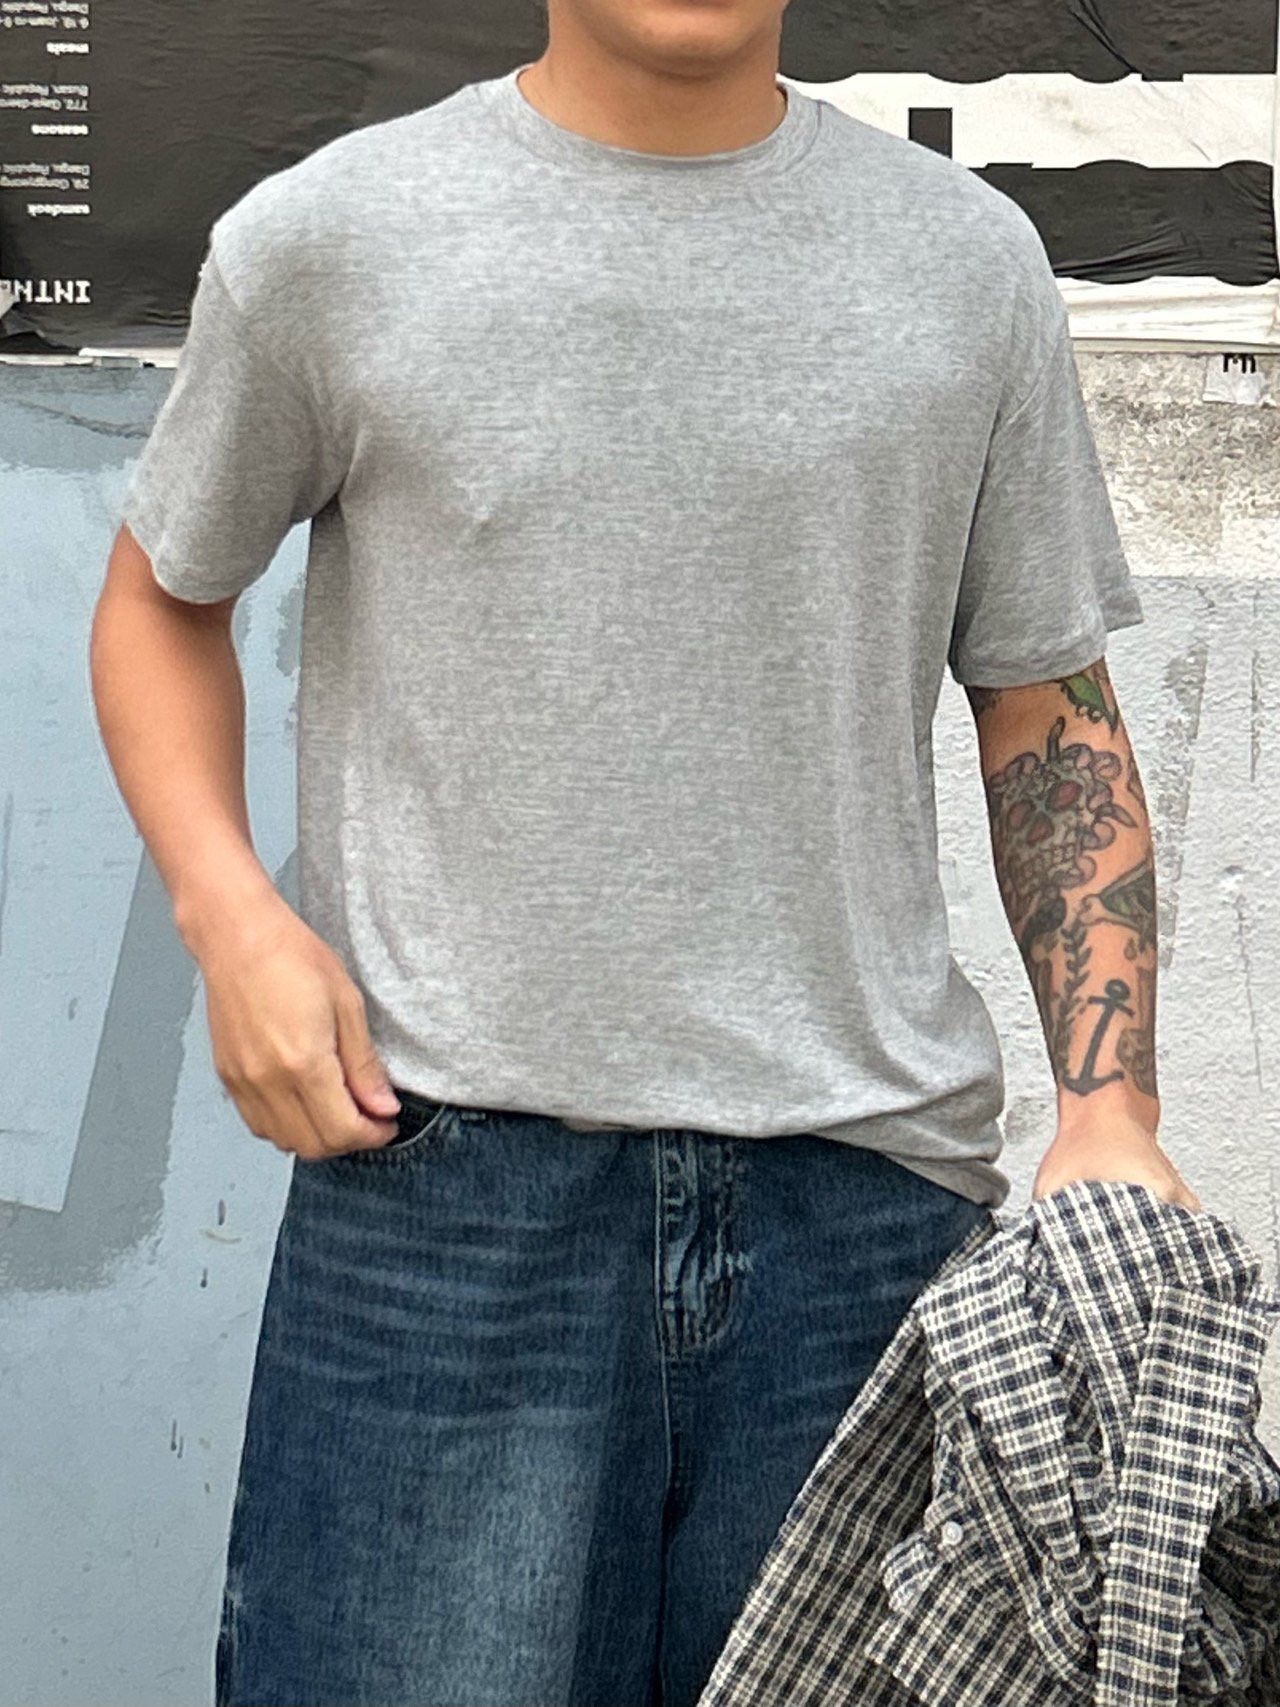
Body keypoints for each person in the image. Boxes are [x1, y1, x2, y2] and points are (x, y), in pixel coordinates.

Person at [90, 3, 1200, 1703]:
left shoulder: (966, 267)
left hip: (867, 1216)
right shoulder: (332, 241)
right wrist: (231, 912)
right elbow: (162, 601)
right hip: (449, 1208)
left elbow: (1045, 700)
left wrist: (1110, 1110)